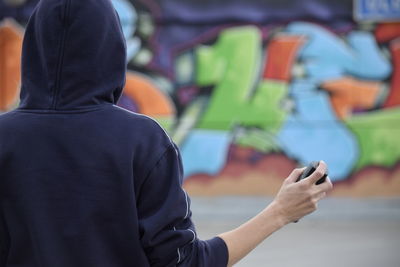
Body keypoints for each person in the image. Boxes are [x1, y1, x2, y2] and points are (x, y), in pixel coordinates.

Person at [0, 0, 333, 266]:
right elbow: (184, 263)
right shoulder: (141, 141)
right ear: (111, 48)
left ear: (32, 48)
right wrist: (280, 212)